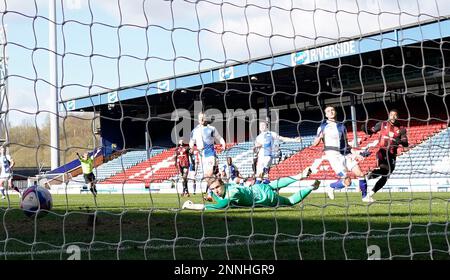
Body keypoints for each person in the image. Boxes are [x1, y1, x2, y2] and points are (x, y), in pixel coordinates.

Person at [182, 167, 318, 210]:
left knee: (290, 202)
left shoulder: (232, 192)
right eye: (213, 189)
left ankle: (309, 185)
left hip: (265, 198)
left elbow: (220, 206)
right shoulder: (225, 187)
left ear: (222, 184)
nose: (216, 190)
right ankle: (303, 178)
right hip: (259, 187)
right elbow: (219, 196)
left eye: (217, 187)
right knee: (274, 184)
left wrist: (193, 206)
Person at [312, 106, 371, 202]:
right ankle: (330, 187)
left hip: (344, 154)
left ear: (335, 112)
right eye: (328, 111)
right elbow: (314, 144)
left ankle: (365, 197)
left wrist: (355, 154)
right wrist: (319, 138)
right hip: (333, 155)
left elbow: (346, 144)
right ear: (326, 115)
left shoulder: (342, 126)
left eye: (332, 110)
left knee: (360, 174)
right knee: (347, 182)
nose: (330, 112)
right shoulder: (322, 127)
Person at [362, 109, 408, 200]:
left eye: (395, 115)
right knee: (384, 170)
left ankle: (370, 193)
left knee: (386, 175)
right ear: (389, 116)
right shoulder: (382, 124)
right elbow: (371, 131)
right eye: (391, 115)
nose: (393, 116)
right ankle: (366, 178)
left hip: (392, 154)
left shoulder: (401, 129)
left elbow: (406, 143)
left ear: (397, 117)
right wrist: (365, 129)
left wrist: (401, 142)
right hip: (382, 151)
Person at [189, 112, 226, 201]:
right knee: (207, 177)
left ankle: (210, 194)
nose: (201, 120)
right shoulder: (195, 130)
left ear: (206, 118)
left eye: (203, 118)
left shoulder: (211, 129)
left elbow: (220, 138)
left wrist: (223, 144)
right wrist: (191, 148)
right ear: (198, 119)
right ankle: (219, 189)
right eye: (200, 118)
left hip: (210, 154)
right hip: (202, 156)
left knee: (209, 174)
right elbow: (191, 141)